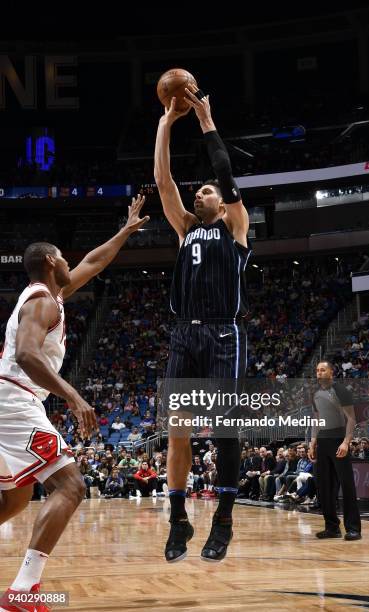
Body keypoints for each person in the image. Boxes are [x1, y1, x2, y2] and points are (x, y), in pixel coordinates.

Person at [0, 196, 148, 610]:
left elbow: (95, 263)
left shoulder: (53, 296)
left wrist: (126, 230)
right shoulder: (42, 301)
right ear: (50, 260)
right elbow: (28, 356)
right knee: (71, 485)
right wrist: (74, 396)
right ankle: (22, 592)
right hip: (14, 400)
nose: (71, 262)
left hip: (9, 400)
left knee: (14, 499)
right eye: (64, 258)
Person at [154, 85, 250, 562]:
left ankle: (225, 518)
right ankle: (177, 519)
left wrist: (207, 122)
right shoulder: (186, 229)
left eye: (207, 190)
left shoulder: (235, 226)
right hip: (184, 333)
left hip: (222, 331)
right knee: (177, 431)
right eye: (201, 189)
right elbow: (163, 180)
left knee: (225, 429)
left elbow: (227, 174)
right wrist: (165, 123)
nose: (201, 190)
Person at [310, 361, 362, 541]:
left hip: (339, 439)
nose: (319, 373)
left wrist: (346, 442)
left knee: (346, 485)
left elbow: (351, 419)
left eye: (322, 370)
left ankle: (353, 528)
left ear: (331, 372)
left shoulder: (341, 390)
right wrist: (312, 442)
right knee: (324, 487)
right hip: (323, 441)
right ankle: (332, 527)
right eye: (317, 370)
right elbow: (316, 420)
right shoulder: (315, 394)